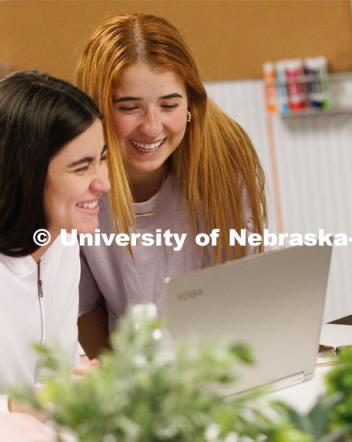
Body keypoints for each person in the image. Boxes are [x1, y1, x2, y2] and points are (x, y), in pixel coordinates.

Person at [75, 14, 267, 353]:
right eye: (129, 107)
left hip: (220, 361)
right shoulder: (76, 180)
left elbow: (247, 290)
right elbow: (85, 311)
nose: (152, 127)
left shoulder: (226, 154)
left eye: (169, 105)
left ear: (191, 103)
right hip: (135, 375)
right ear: (97, 110)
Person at [0, 71, 110, 412]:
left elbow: (55, 368)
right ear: (26, 173)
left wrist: (80, 378)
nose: (103, 182)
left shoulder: (60, 244)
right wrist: (27, 404)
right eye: (82, 167)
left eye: (103, 158)